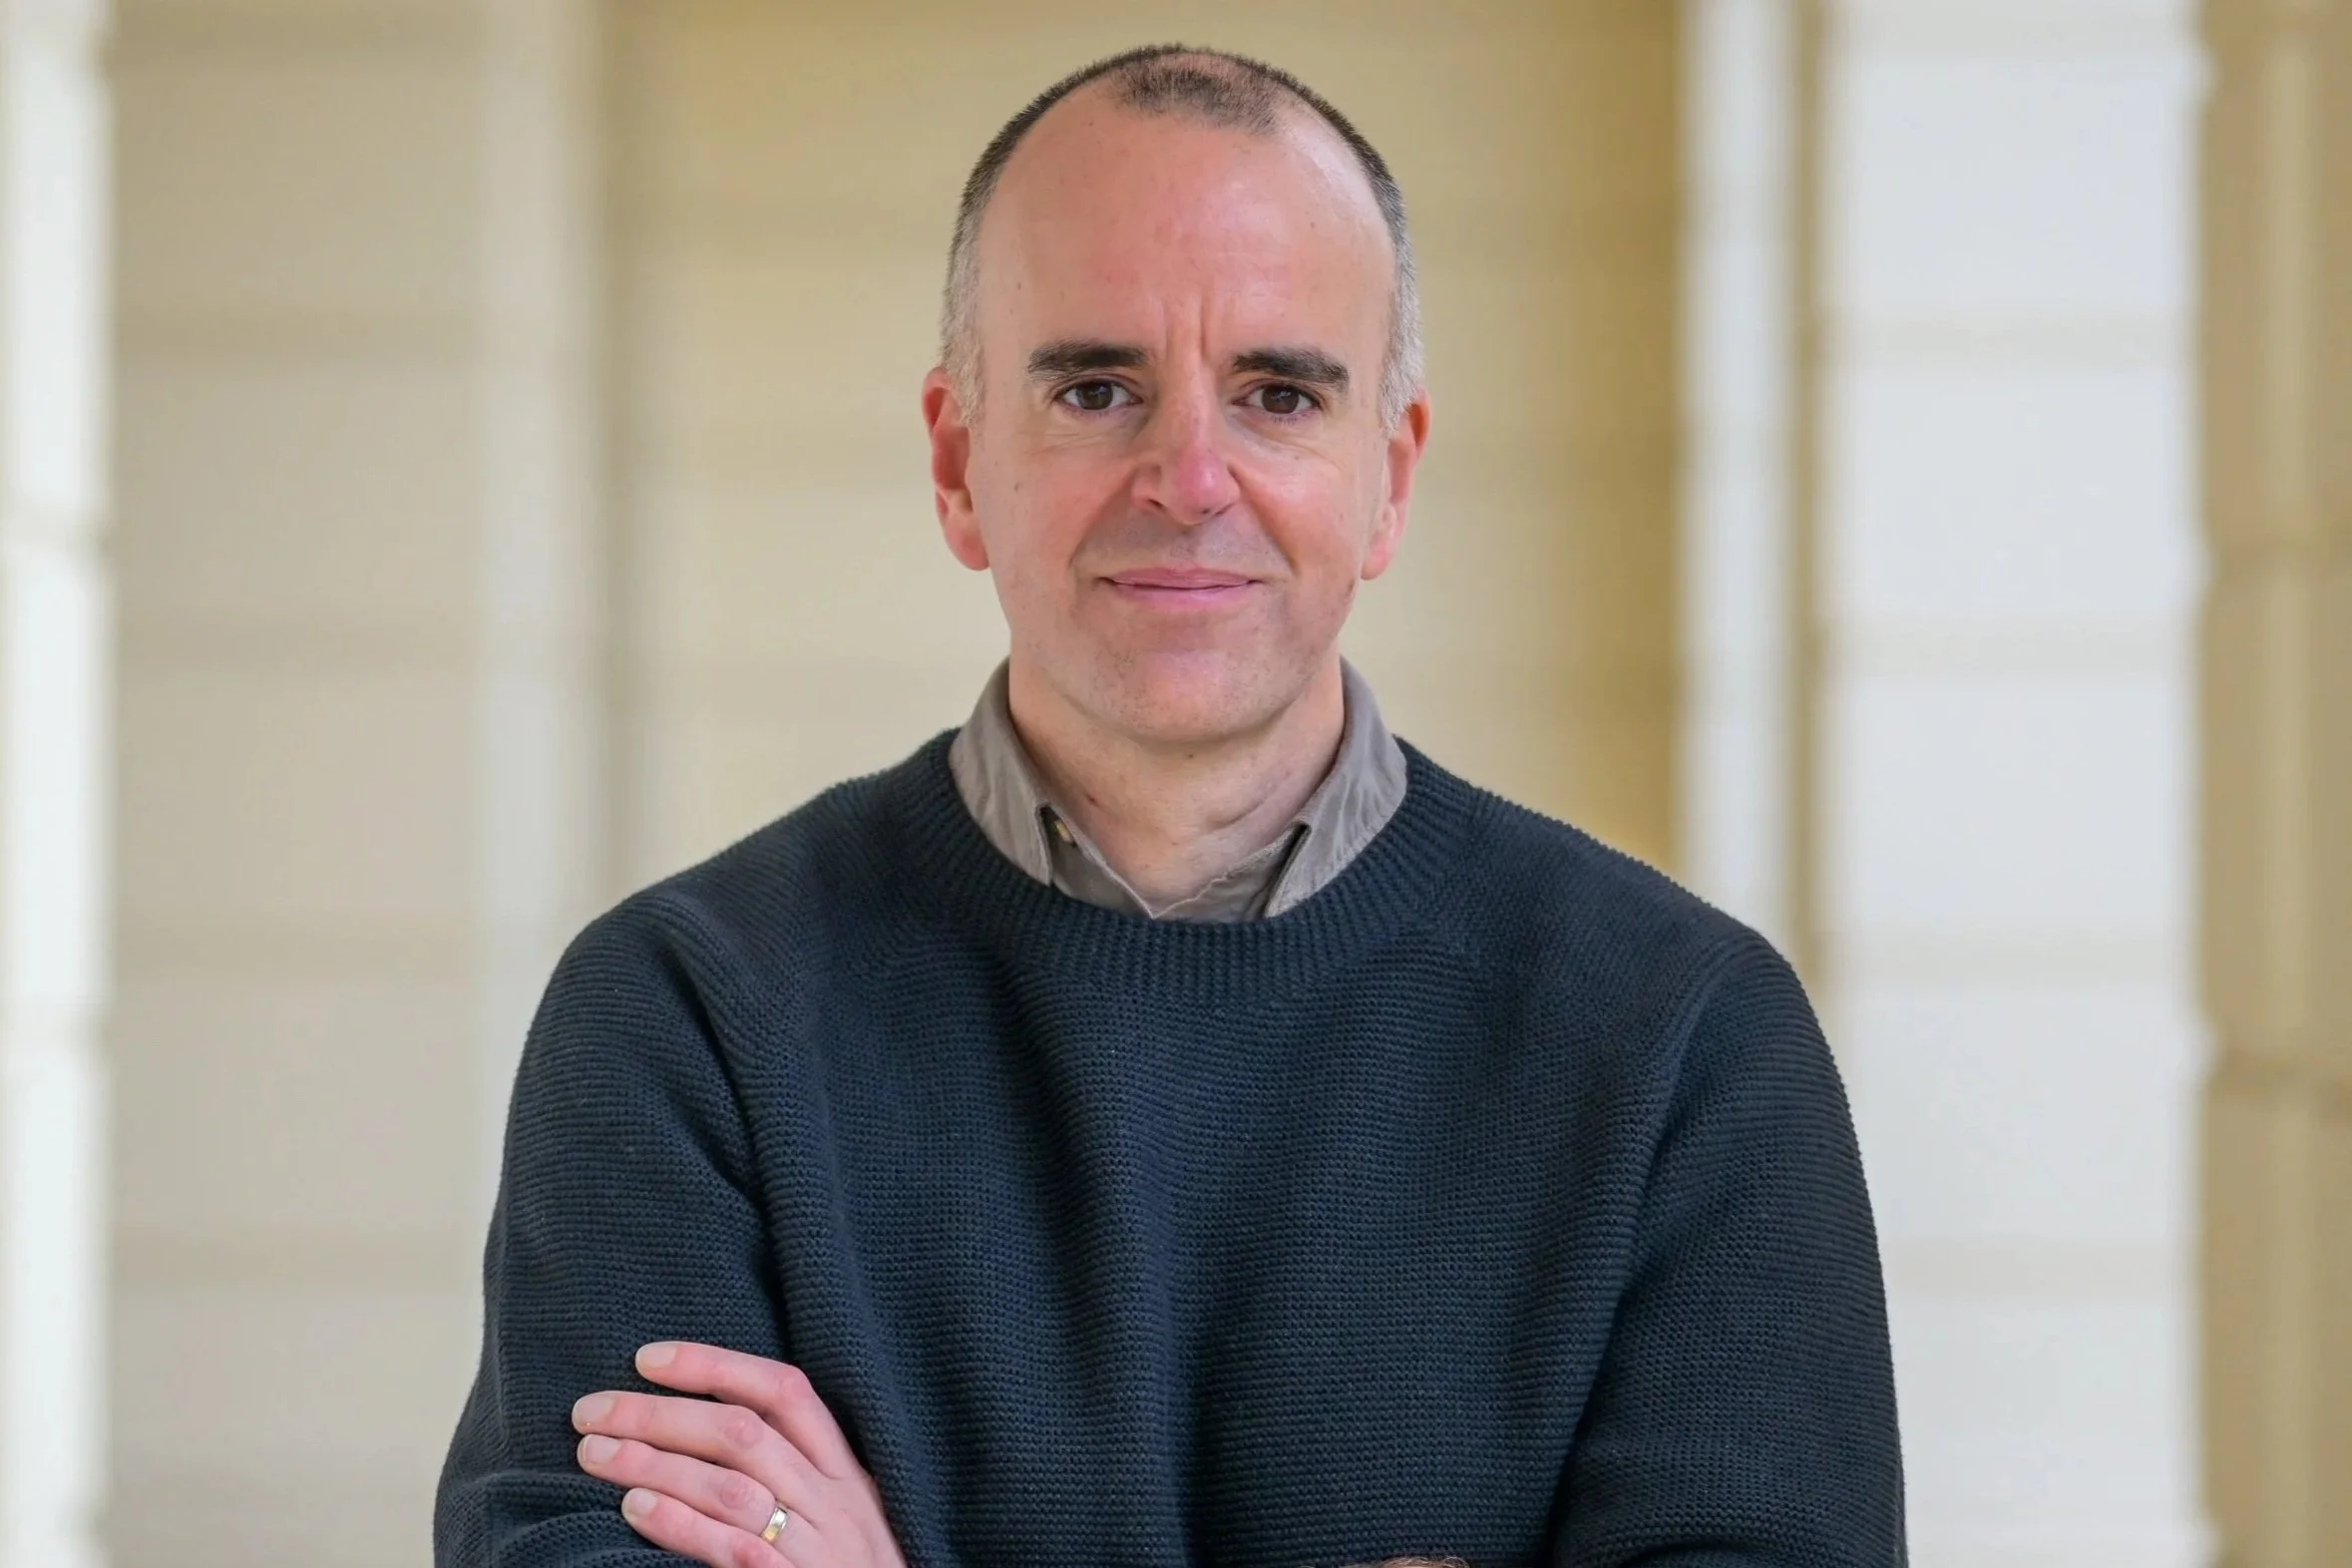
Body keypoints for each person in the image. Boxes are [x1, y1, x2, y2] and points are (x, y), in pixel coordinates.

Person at [435, 43, 1905, 1568]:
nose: (1188, 475)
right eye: (1094, 388)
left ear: (1386, 478)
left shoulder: (1684, 1040)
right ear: (956, 462)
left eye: (1276, 393)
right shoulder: (688, 1017)